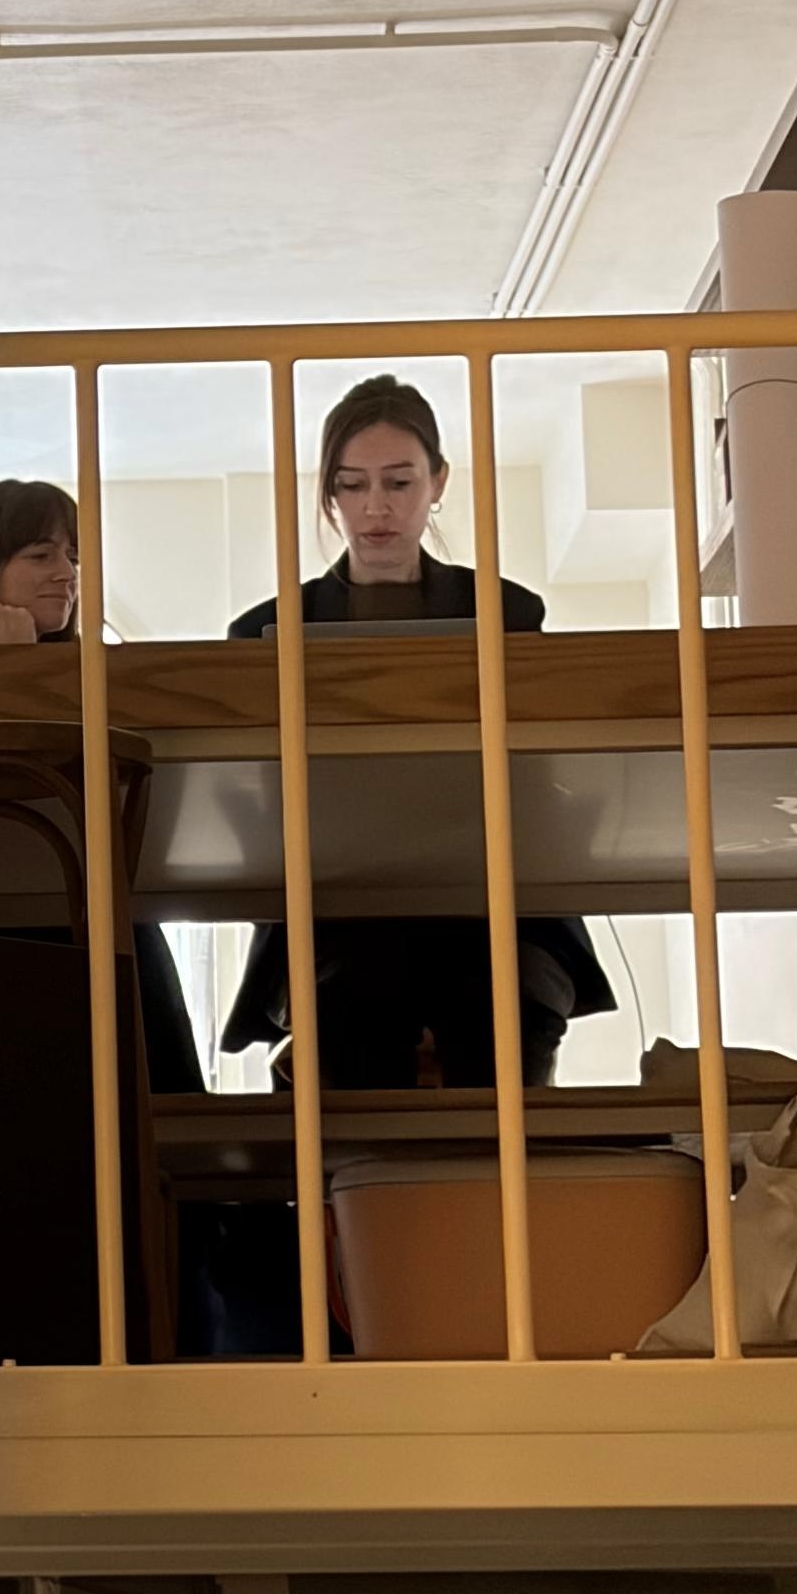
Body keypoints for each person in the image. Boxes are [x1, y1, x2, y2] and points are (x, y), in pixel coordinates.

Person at [222, 375, 615, 1088]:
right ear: (330, 494)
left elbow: (538, 780)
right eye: (352, 485)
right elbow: (258, 809)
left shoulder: (507, 613)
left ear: (438, 482)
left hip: (497, 910)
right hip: (334, 919)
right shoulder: (264, 632)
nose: (376, 507)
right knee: (356, 997)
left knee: (495, 1001)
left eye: (399, 482)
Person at [0, 478, 205, 1094]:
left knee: (125, 927)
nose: (66, 573)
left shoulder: (95, 673)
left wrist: (26, 662)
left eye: (73, 556)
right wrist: (13, 668)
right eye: (40, 554)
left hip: (74, 907)